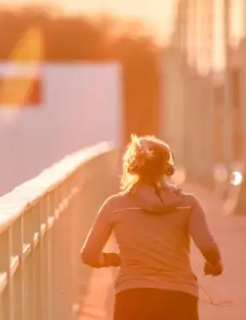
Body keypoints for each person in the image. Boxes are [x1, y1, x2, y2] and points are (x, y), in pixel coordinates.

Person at [79, 135, 223, 320]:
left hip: (132, 296)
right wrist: (214, 264)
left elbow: (89, 255)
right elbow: (207, 246)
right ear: (167, 167)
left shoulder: (115, 206)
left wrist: (112, 259)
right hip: (179, 297)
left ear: (132, 166)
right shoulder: (188, 203)